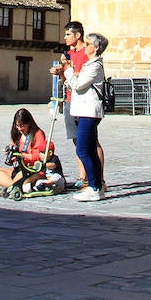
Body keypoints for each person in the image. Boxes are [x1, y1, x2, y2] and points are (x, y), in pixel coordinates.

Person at [53, 21, 106, 190]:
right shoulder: (69, 54)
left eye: (68, 34)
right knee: (79, 143)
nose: (65, 37)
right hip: (73, 102)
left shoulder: (92, 61)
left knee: (87, 146)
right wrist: (62, 72)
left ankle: (96, 183)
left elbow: (79, 82)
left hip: (87, 108)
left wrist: (68, 69)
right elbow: (71, 82)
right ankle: (88, 179)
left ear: (77, 35)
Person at [63, 32, 109, 202]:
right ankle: (97, 187)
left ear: (96, 48)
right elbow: (76, 85)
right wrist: (66, 75)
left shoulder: (95, 66)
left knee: (82, 149)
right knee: (89, 150)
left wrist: (68, 69)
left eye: (88, 44)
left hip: (89, 112)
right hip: (84, 110)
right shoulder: (90, 64)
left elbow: (78, 84)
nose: (85, 46)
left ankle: (94, 186)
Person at [0, 107, 49, 193]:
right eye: (17, 126)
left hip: (31, 170)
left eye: (22, 126)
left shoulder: (38, 134)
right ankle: (13, 185)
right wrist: (11, 154)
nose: (20, 129)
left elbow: (37, 156)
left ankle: (10, 185)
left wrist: (21, 155)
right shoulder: (18, 135)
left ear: (29, 123)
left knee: (19, 176)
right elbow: (15, 150)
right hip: (19, 169)